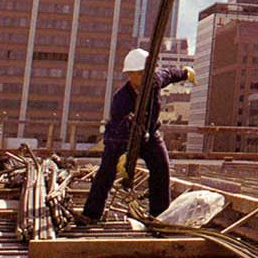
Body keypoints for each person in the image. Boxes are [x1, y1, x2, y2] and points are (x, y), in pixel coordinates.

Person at [80, 48, 193, 223]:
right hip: (120, 139)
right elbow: (120, 127)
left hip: (149, 134)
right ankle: (91, 214)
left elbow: (169, 74)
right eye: (139, 73)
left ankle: (159, 215)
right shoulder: (121, 99)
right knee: (106, 173)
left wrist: (185, 73)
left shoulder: (154, 81)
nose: (143, 77)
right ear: (130, 75)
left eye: (146, 73)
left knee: (161, 168)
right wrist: (126, 154)